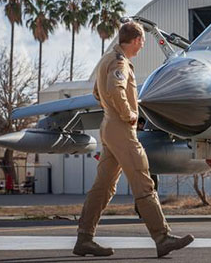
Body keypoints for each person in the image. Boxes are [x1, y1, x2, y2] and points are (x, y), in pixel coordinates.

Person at [73, 21, 194, 258]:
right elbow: (115, 88)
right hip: (121, 129)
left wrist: (111, 110)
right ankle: (162, 237)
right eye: (142, 43)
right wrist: (128, 113)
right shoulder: (119, 63)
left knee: (103, 187)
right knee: (143, 182)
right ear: (137, 40)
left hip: (108, 127)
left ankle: (84, 239)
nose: (141, 48)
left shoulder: (107, 59)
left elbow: (98, 92)